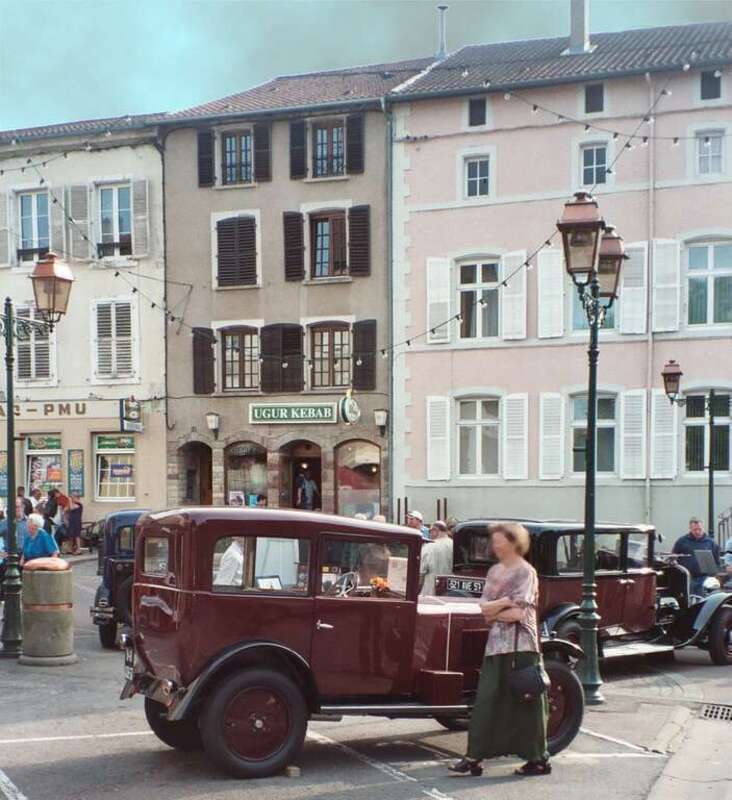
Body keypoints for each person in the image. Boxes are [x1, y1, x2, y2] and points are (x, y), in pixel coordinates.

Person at [450, 522, 549, 778]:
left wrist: (497, 608)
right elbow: (484, 610)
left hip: (521, 648)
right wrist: (504, 603)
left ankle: (537, 759)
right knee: (486, 702)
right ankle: (473, 757)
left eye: (499, 540)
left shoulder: (526, 572)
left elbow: (518, 613)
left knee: (526, 706)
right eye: (493, 541)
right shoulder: (494, 572)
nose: (495, 545)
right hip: (496, 647)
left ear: (514, 542)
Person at [672, 517, 721, 596]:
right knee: (688, 600)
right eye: (695, 530)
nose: (697, 532)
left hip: (704, 578)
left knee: (703, 601)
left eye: (700, 529)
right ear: (690, 528)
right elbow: (674, 556)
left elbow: (717, 562)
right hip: (687, 578)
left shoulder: (711, 543)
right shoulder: (682, 541)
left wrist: (714, 576)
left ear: (703, 528)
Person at [419, 520, 454, 596]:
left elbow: (421, 571)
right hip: (450, 592)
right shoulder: (454, 545)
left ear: (436, 531)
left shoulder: (429, 546)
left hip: (430, 592)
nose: (430, 534)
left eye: (430, 531)